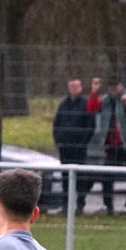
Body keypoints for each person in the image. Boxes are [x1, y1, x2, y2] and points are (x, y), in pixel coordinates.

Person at [88, 76, 126, 215]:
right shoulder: (106, 100)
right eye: (110, 86)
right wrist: (94, 92)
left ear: (121, 85)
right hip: (113, 145)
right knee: (107, 176)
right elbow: (92, 109)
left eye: (116, 85)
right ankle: (108, 206)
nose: (113, 89)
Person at [52, 77, 94, 214]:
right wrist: (58, 140)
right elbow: (57, 123)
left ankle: (80, 204)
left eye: (76, 86)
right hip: (65, 147)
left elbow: (90, 126)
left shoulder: (86, 104)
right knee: (65, 177)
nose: (73, 89)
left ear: (81, 87)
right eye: (71, 86)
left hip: (79, 148)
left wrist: (82, 143)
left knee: (80, 176)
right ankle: (66, 204)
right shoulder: (64, 104)